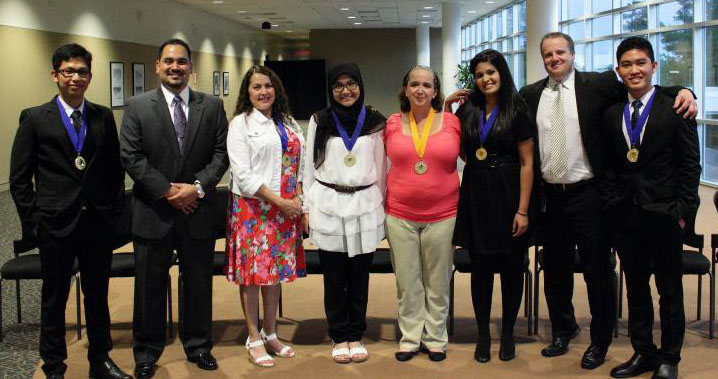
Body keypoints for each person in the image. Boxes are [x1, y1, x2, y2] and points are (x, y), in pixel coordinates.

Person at [518, 32, 697, 370]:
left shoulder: (598, 85)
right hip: (552, 198)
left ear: (573, 54)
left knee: (598, 271)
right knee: (555, 269)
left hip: (590, 195)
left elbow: (646, 90)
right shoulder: (530, 95)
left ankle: (601, 341)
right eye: (548, 54)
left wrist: (686, 91)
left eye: (560, 52)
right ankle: (563, 329)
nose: (554, 58)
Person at [9, 43, 130, 379]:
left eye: (82, 72)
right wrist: (34, 222)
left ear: (90, 77)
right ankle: (54, 367)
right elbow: (19, 179)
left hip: (96, 223)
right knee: (54, 297)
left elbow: (113, 170)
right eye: (68, 71)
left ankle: (100, 361)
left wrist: (113, 211)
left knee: (97, 295)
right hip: (55, 224)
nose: (76, 78)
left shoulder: (102, 116)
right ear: (55, 75)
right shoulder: (35, 118)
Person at [119, 38, 228, 378]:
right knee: (149, 286)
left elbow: (221, 155)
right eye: (168, 61)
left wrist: (195, 189)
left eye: (181, 61)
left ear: (191, 67)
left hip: (198, 211)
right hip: (154, 212)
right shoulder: (137, 106)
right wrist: (167, 191)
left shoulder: (211, 106)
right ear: (157, 66)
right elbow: (131, 157)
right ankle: (147, 351)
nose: (175, 67)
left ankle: (198, 345)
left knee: (198, 283)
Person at [601, 37, 700, 379]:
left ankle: (669, 357)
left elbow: (690, 167)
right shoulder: (613, 113)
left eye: (641, 62)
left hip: (666, 216)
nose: (634, 70)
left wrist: (683, 212)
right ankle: (643, 352)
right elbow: (611, 165)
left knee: (669, 290)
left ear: (654, 66)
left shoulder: (677, 106)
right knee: (637, 289)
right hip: (626, 217)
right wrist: (613, 203)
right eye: (627, 64)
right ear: (618, 71)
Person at [446, 49, 534, 363]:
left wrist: (522, 210)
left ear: (502, 74)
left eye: (491, 73)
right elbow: (458, 150)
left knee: (512, 268)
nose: (486, 79)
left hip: (509, 190)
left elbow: (527, 162)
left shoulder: (517, 108)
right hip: (476, 193)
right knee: (480, 269)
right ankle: (483, 334)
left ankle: (507, 332)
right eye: (480, 74)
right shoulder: (467, 109)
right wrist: (445, 106)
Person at [302, 63, 387, 364]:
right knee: (334, 276)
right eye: (338, 85)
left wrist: (384, 207)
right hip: (328, 203)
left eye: (351, 83)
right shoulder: (319, 119)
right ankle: (339, 335)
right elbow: (308, 165)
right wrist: (306, 208)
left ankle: (356, 333)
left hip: (365, 204)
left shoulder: (376, 121)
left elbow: (383, 168)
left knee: (360, 275)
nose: (345, 90)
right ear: (330, 90)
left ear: (360, 85)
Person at [225, 65, 306, 368]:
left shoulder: (287, 123)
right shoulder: (240, 124)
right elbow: (242, 176)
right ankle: (253, 337)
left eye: (268, 86)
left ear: (277, 90)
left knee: (274, 275)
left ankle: (270, 332)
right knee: (252, 275)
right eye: (256, 87)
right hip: (253, 210)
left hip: (285, 210)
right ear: (247, 92)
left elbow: (298, 164)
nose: (263, 92)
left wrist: (298, 198)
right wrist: (281, 202)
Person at [383, 65, 460, 363]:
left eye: (427, 85)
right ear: (405, 89)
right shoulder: (391, 123)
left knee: (438, 281)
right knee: (408, 280)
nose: (420, 90)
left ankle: (436, 338)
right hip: (400, 214)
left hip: (443, 214)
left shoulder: (452, 122)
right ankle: (410, 337)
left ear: (435, 92)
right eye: (414, 84)